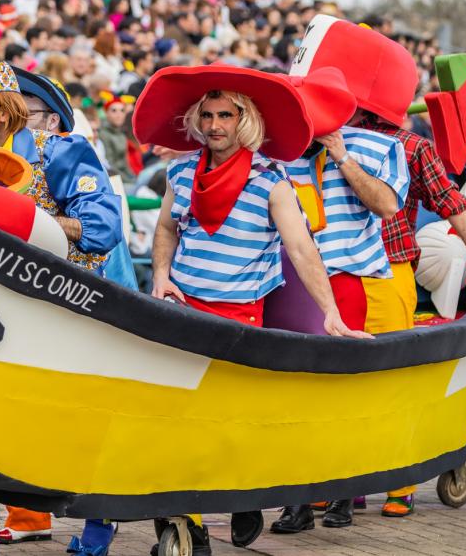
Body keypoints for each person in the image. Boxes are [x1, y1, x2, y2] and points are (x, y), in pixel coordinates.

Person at [134, 65, 371, 556]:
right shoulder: (179, 172)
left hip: (240, 320)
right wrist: (161, 277)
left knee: (229, 425)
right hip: (182, 314)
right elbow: (165, 230)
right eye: (209, 114)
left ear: (245, 121)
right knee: (173, 425)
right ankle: (187, 530)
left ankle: (244, 499)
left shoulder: (271, 179)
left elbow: (302, 249)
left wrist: (331, 313)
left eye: (227, 114)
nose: (216, 124)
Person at [286, 17, 466, 522]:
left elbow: (451, 203)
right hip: (326, 274)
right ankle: (336, 484)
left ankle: (397, 482)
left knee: (387, 377)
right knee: (329, 382)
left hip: (390, 274)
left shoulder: (405, 145)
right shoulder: (307, 140)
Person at [0, 61, 123, 556]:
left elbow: (102, 230)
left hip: (65, 308)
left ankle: (99, 528)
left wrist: (29, 218)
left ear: (3, 109)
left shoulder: (61, 152)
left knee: (76, 421)